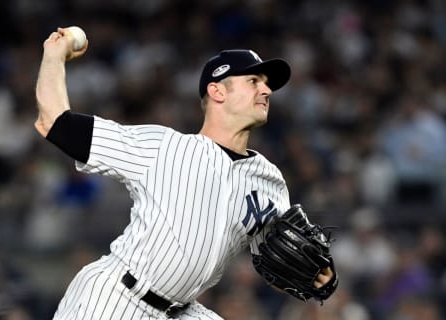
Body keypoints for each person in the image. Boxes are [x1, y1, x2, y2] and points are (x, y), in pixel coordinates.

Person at [35, 27, 335, 320]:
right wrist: (54, 55)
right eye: (253, 81)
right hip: (116, 298)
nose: (266, 90)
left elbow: (276, 261)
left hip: (183, 309)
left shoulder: (269, 180)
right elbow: (56, 123)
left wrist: (317, 273)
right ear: (217, 91)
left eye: (267, 84)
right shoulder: (163, 146)